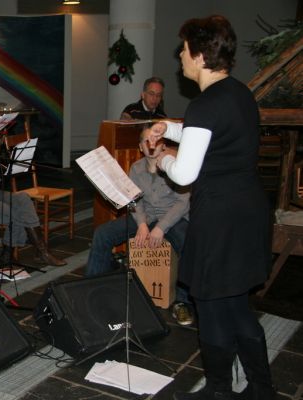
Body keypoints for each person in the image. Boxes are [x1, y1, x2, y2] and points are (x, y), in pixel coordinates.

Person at [145, 15, 274, 400]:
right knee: (236, 304)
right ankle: (261, 389)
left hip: (220, 216)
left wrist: (161, 158)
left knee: (213, 306)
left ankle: (218, 391)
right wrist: (167, 127)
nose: (180, 56)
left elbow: (185, 173)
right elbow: (209, 135)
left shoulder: (205, 104)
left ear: (200, 56)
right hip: (249, 209)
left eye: (184, 50)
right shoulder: (238, 93)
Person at [85, 127, 193, 325]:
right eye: (146, 142)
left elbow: (182, 203)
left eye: (156, 141)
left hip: (173, 217)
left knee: (188, 242)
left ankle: (182, 302)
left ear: (164, 145)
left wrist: (161, 228)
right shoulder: (136, 168)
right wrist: (142, 224)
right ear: (141, 147)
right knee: (103, 234)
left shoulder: (175, 167)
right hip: (146, 216)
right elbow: (134, 201)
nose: (151, 146)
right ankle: (93, 289)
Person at [0, 138, 67, 268]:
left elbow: (2, 175)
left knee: (24, 198)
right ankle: (21, 253)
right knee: (17, 214)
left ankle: (39, 251)